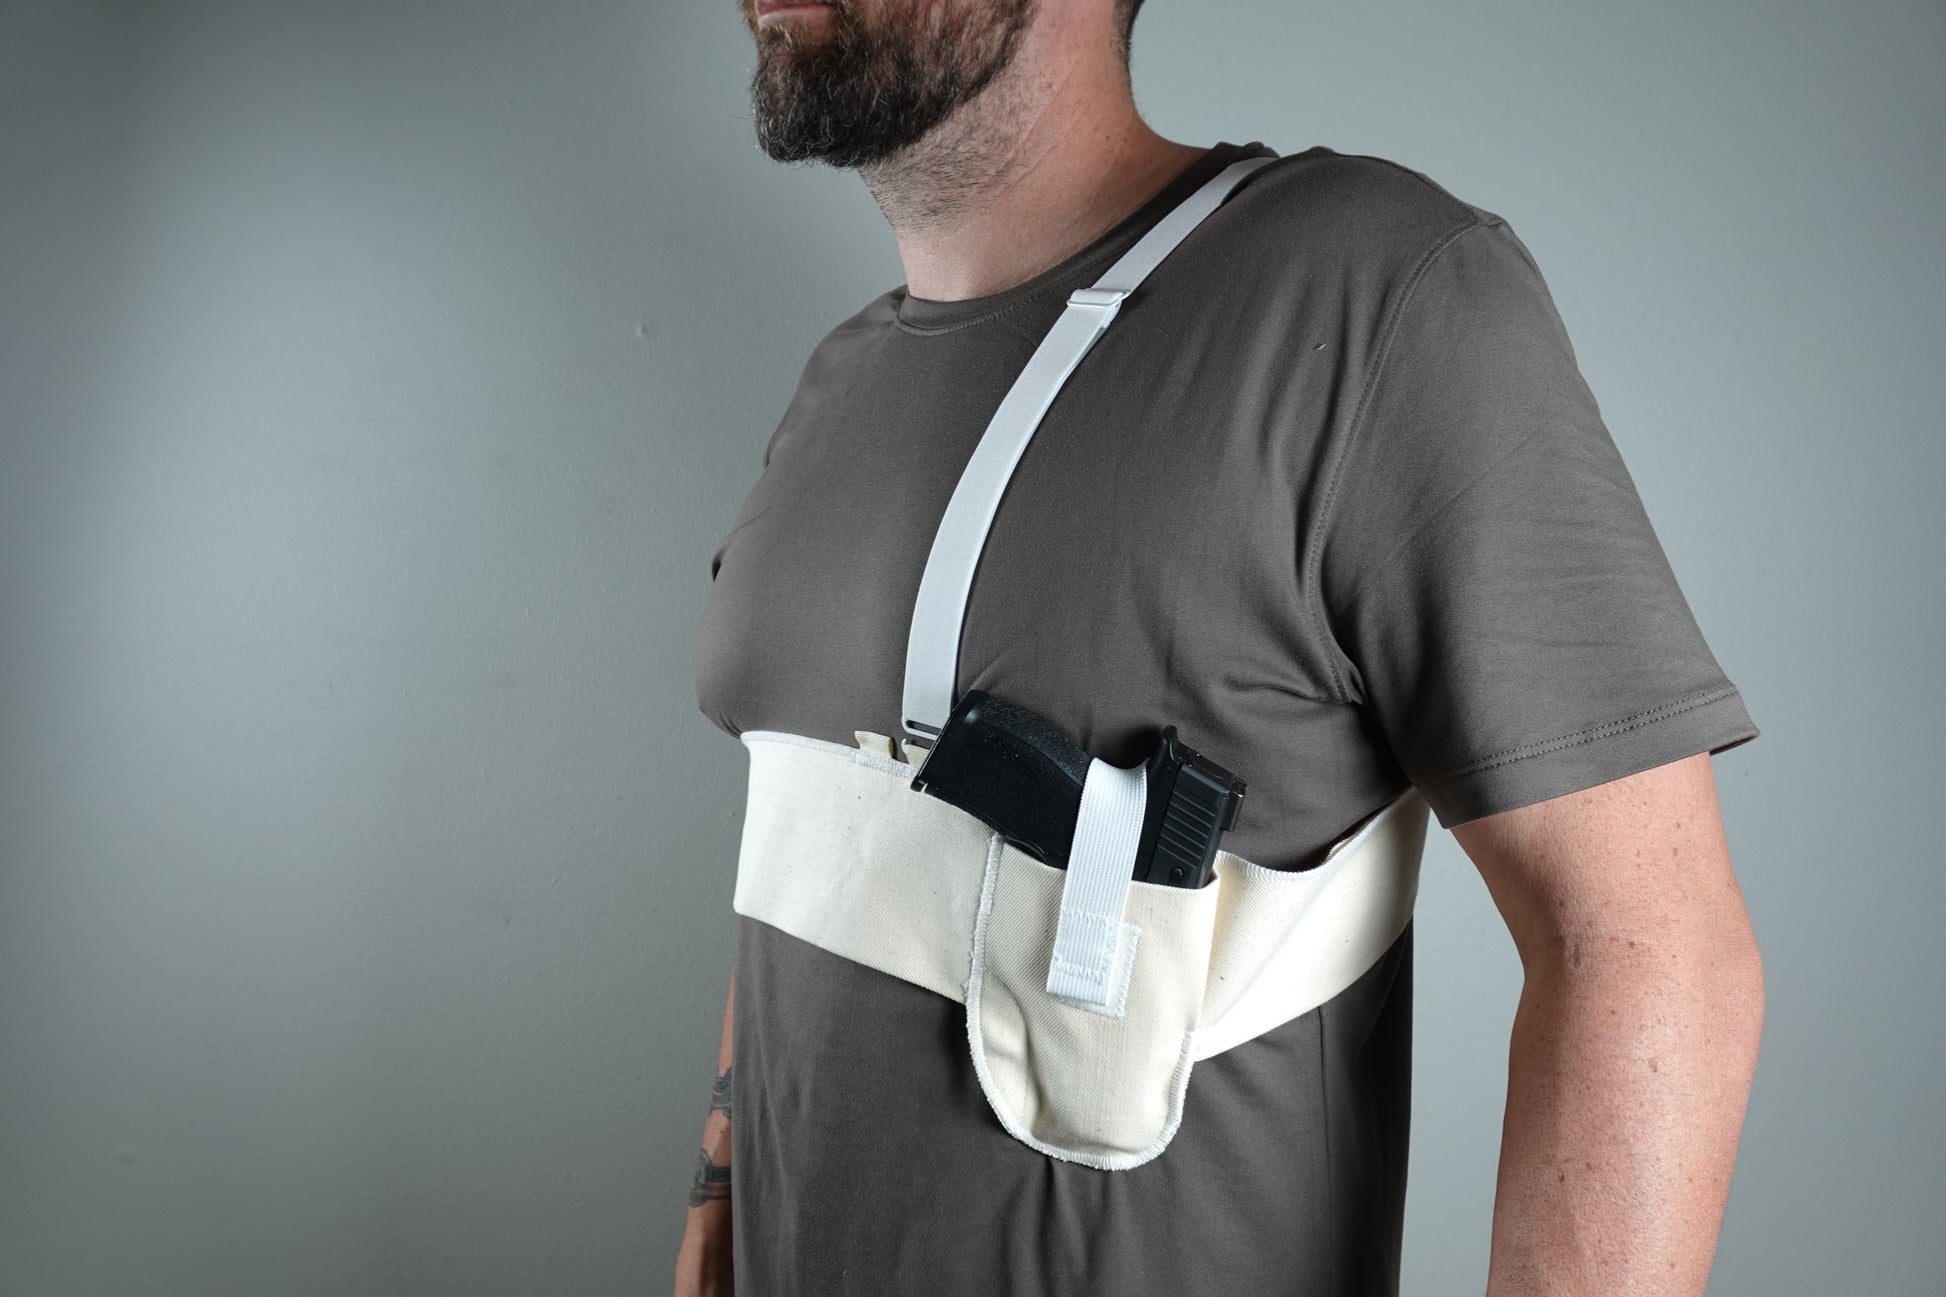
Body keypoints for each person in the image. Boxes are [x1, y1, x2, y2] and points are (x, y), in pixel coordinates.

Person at [674, 0, 1766, 1292]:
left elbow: (1645, 951)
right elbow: (814, 858)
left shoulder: (1367, 290)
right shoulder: (836, 386)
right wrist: (714, 1219)